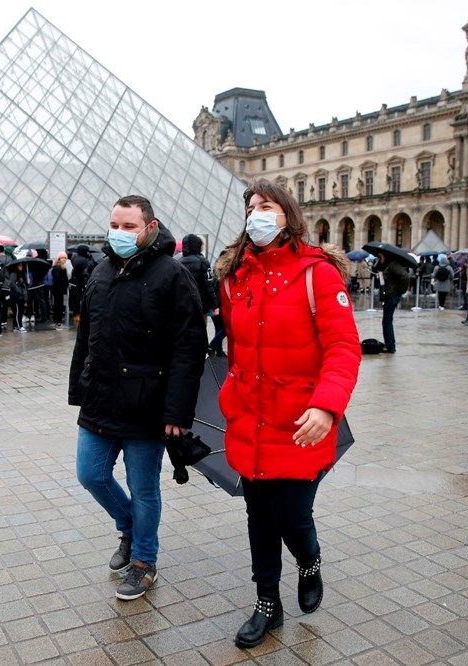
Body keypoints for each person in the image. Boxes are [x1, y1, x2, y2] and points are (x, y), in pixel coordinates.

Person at [215, 178, 360, 648]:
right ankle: (266, 603)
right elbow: (236, 348)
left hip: (301, 420)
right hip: (251, 415)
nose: (256, 213)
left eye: (266, 205)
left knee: (293, 513)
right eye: (250, 206)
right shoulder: (235, 275)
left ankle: (310, 558)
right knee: (259, 514)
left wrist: (327, 405)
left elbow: (343, 347)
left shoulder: (318, 273)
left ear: (288, 214)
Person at [69, 194, 207, 602]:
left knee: (144, 487)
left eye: (128, 226)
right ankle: (131, 527)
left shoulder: (172, 275)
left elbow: (189, 347)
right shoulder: (101, 271)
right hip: (100, 397)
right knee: (90, 474)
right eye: (114, 225)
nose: (119, 233)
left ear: (150, 227)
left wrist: (177, 412)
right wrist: (80, 386)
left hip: (148, 402)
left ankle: (145, 562)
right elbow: (85, 338)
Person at [372, 254, 409, 353]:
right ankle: (389, 345)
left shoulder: (393, 264)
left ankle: (390, 346)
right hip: (388, 296)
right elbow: (380, 275)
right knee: (386, 321)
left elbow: (405, 276)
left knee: (387, 321)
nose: (379, 258)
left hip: (392, 296)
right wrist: (378, 263)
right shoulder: (386, 265)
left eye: (380, 256)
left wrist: (399, 291)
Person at [6, 263, 28, 332]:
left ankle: (16, 326)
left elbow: (24, 286)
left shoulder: (23, 274)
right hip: (16, 296)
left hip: (21, 296)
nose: (21, 267)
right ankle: (20, 326)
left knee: (20, 311)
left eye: (22, 265)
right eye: (19, 265)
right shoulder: (14, 273)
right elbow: (11, 284)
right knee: (18, 311)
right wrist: (18, 288)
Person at [50, 253, 69, 330]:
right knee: (59, 306)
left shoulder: (58, 267)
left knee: (58, 305)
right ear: (59, 259)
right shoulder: (59, 268)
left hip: (58, 289)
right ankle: (58, 322)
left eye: (65, 258)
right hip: (59, 289)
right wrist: (64, 284)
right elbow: (58, 279)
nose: (64, 259)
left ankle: (57, 321)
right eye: (62, 258)